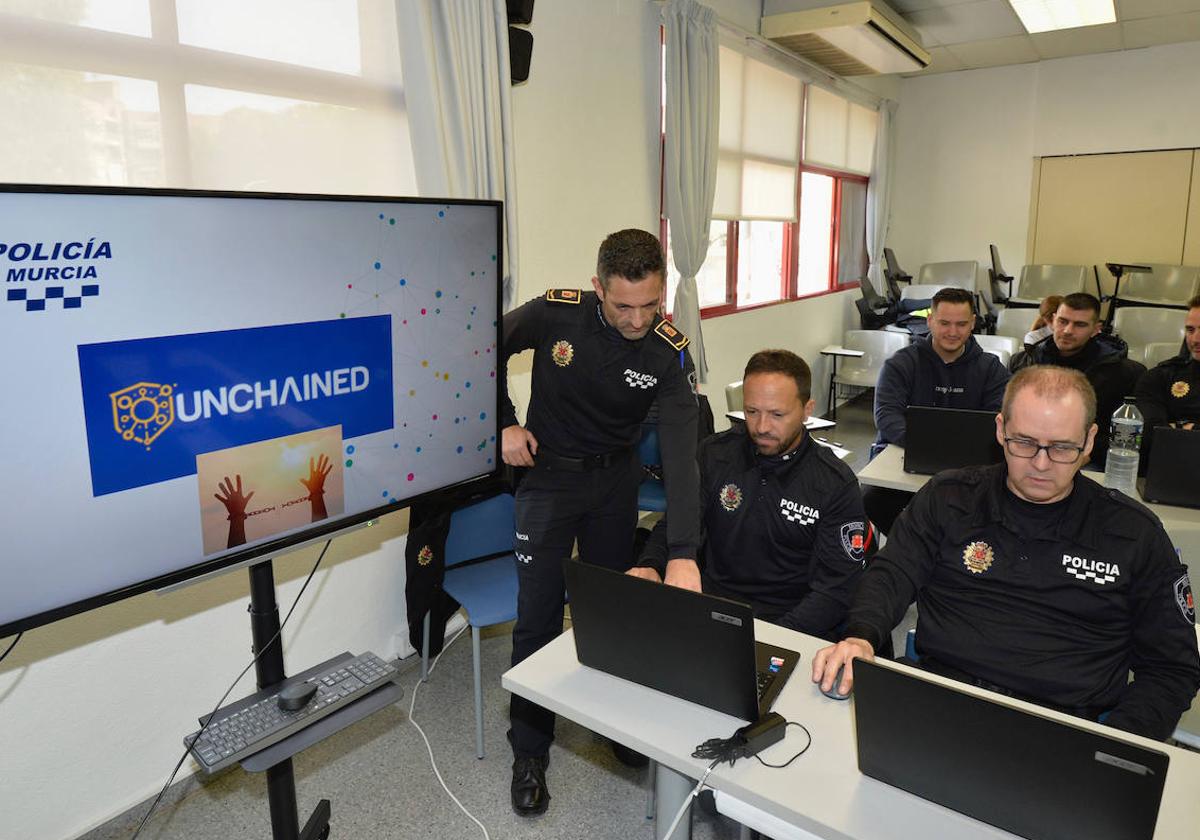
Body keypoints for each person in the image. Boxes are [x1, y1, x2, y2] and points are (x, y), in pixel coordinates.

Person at [812, 366, 1200, 742]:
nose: (1041, 463)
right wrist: (860, 635)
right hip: (937, 698)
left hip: (1062, 726)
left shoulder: (1134, 533)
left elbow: (1171, 668)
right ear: (1000, 430)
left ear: (1090, 440)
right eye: (1024, 442)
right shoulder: (949, 497)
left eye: (1063, 447)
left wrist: (1117, 745)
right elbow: (893, 574)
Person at [499, 228, 700, 817]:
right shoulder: (555, 314)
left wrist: (683, 551)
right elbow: (474, 348)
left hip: (615, 483)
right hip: (549, 480)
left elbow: (683, 457)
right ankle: (530, 748)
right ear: (597, 289)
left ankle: (612, 722)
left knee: (613, 613)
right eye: (623, 306)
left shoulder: (669, 348)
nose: (638, 320)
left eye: (650, 305)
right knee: (536, 618)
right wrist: (502, 423)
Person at [629, 349, 867, 641]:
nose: (762, 427)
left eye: (777, 414)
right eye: (752, 412)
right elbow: (677, 523)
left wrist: (774, 638)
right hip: (713, 608)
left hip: (789, 620)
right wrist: (650, 565)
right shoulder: (714, 454)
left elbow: (836, 589)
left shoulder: (834, 483)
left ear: (807, 410)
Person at [866, 287, 1010, 532]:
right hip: (906, 457)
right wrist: (929, 446)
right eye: (944, 323)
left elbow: (998, 420)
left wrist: (953, 451)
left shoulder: (991, 369)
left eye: (961, 324)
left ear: (973, 323)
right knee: (870, 501)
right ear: (930, 320)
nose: (952, 332)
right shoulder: (900, 364)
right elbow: (887, 418)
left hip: (971, 468)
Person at [1010, 292, 1145, 468]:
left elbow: (1123, 433)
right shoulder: (1024, 362)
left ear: (1096, 329)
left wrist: (1089, 454)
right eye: (1063, 321)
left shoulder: (1124, 373)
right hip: (1029, 450)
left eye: (1079, 325)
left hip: (1089, 457)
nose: (1067, 331)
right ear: (1052, 320)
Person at [1135, 294, 1200, 440]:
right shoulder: (1160, 376)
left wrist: (1182, 428)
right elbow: (1151, 433)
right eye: (1190, 330)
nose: (1195, 339)